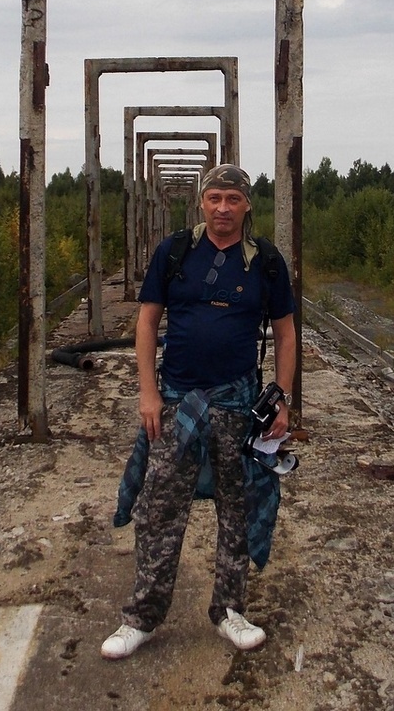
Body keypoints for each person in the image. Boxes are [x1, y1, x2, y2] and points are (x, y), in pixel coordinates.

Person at [102, 163, 297, 660]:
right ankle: (141, 618)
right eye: (215, 198)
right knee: (158, 510)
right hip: (176, 403)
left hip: (238, 404)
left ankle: (230, 611)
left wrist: (281, 397)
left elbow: (285, 333)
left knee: (238, 509)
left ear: (247, 205)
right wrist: (148, 393)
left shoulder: (265, 262)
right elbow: (147, 324)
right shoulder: (175, 252)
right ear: (202, 202)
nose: (223, 208)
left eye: (233, 199)